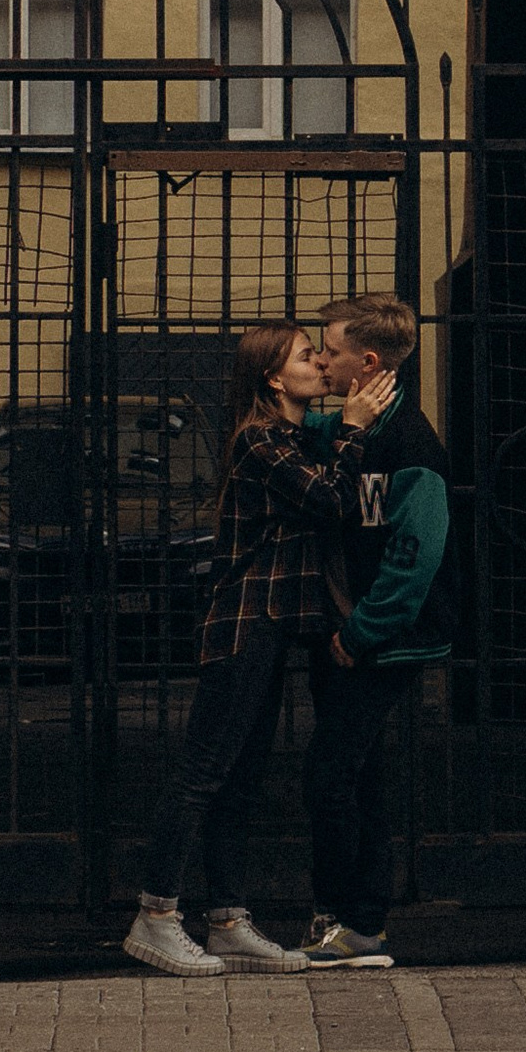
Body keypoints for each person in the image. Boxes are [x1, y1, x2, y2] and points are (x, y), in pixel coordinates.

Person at [123, 322, 395, 977]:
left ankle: (228, 921)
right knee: (204, 772)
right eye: (307, 357)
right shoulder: (259, 441)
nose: (317, 366)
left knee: (241, 781)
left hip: (273, 627)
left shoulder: (296, 439)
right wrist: (355, 427)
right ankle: (155, 917)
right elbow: (332, 500)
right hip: (246, 624)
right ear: (274, 377)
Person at [301, 292, 456, 971]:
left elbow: (415, 556)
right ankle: (353, 921)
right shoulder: (363, 431)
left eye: (328, 348)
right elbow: (317, 451)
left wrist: (360, 634)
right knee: (357, 775)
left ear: (366, 360)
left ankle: (355, 924)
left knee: (331, 775)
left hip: (382, 641)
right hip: (356, 636)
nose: (319, 358)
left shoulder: (410, 444)